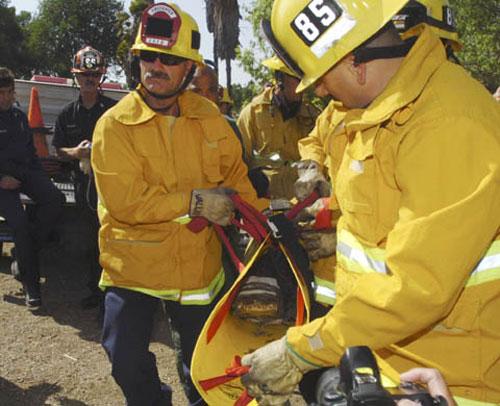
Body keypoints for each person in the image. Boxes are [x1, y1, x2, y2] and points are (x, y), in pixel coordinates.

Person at [240, 0, 500, 405]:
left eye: (320, 77)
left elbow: (416, 285)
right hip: (388, 361)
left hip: (457, 383)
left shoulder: (449, 121)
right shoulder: (375, 115)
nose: (321, 90)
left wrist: (300, 350)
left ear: (354, 61)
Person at [91, 3, 265, 406]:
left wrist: (263, 220)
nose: (156, 66)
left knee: (203, 366)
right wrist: (196, 202)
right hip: (132, 268)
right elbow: (126, 203)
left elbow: (236, 177)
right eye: (147, 57)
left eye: (168, 59)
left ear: (189, 69)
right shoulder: (113, 127)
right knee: (125, 359)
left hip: (197, 270)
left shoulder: (209, 117)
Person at [52, 46, 116, 309]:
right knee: (90, 240)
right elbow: (58, 151)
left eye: (94, 75)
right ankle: (96, 291)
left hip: (112, 187)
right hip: (83, 187)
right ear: (76, 77)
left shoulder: (114, 112)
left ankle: (114, 294)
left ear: (101, 76)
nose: (89, 79)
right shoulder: (67, 114)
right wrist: (76, 152)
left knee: (113, 239)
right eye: (84, 75)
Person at [0, 67, 65, 309]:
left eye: (9, 92)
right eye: (1, 93)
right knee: (21, 225)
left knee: (55, 200)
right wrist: (1, 180)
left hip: (26, 172)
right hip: (2, 182)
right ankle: (31, 287)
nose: (5, 98)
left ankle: (25, 252)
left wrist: (41, 179)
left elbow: (30, 153)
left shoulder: (18, 117)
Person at [237, 56, 319, 199]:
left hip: (303, 202)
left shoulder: (313, 117)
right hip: (265, 203)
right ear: (280, 79)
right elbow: (237, 164)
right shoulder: (252, 113)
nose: (303, 85)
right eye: (297, 79)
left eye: (304, 78)